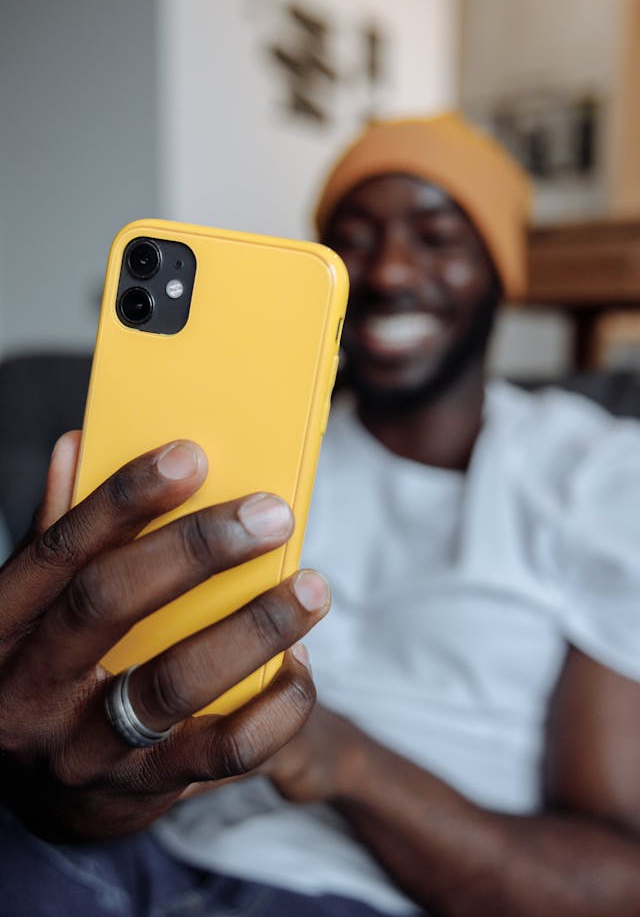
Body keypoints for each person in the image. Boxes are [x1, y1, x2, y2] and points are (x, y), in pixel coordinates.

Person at [3, 113, 640, 916]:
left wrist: (334, 755)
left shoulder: (597, 475)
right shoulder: (258, 450)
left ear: (500, 271)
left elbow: (617, 877)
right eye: (355, 239)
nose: (389, 271)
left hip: (361, 894)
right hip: (149, 854)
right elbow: (90, 771)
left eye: (437, 237)